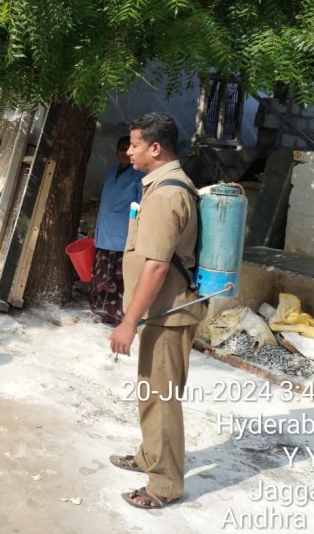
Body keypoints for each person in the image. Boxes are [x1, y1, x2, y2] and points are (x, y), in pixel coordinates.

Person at [108, 112, 201, 510]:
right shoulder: (162, 186)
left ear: (155, 148)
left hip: (168, 314)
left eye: (134, 145)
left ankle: (164, 484)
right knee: (151, 391)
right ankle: (150, 456)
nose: (129, 151)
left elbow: (158, 265)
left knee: (161, 397)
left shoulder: (166, 194)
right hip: (160, 313)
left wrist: (129, 322)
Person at [89, 135, 144, 325]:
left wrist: (135, 233)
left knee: (119, 280)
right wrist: (94, 228)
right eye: (120, 148)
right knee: (101, 275)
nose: (124, 152)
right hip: (103, 234)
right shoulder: (111, 172)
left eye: (127, 148)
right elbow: (104, 203)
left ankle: (119, 316)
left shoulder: (139, 176)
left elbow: (140, 208)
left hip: (122, 237)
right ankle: (101, 311)